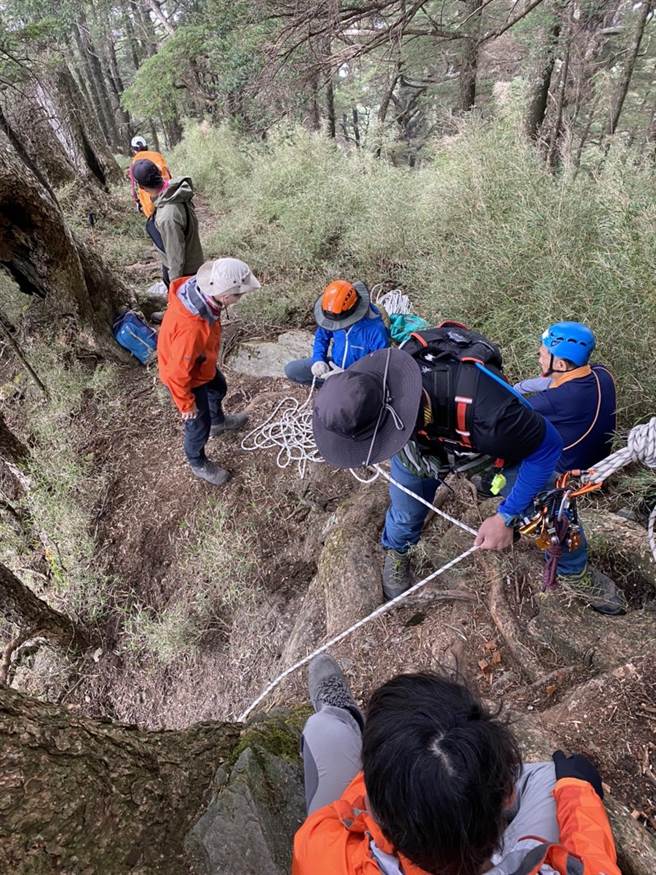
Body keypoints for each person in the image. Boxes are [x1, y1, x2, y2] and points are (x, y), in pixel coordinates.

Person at [311, 324, 625, 614]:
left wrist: (506, 516)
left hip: (479, 443)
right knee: (406, 510)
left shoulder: (493, 414)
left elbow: (547, 450)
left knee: (551, 498)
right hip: (417, 447)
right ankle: (398, 550)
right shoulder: (371, 385)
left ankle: (573, 569)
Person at [293, 654, 621, 875]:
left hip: (380, 847)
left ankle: (346, 719)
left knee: (325, 732)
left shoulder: (318, 848)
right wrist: (578, 792)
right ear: (506, 798)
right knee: (551, 779)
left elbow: (345, 811)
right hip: (488, 855)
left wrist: (393, 775)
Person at [157, 257, 260, 485]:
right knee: (196, 425)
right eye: (238, 294)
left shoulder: (200, 294)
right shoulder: (191, 329)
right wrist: (187, 405)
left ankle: (218, 422)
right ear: (224, 296)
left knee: (218, 387)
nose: (240, 298)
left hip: (201, 364)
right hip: (186, 378)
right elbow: (177, 373)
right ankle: (197, 461)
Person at [514, 322, 617, 475]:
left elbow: (510, 412)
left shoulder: (554, 400)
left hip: (564, 473)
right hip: (596, 462)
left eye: (542, 355)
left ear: (561, 365)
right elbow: (554, 382)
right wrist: (520, 387)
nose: (539, 359)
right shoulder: (602, 373)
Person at [285, 279, 390, 385]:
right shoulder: (333, 315)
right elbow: (321, 336)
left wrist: (349, 375)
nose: (337, 325)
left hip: (359, 379)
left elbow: (380, 369)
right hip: (333, 367)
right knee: (293, 370)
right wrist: (318, 360)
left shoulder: (375, 330)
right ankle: (332, 386)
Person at [131, 158, 204, 287]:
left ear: (141, 187)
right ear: (160, 172)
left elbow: (176, 256)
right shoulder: (175, 191)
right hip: (193, 260)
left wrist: (174, 285)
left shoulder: (167, 216)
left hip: (186, 273)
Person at [127, 135, 171, 219]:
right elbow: (167, 172)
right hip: (167, 191)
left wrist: (136, 199)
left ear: (134, 150)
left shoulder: (134, 163)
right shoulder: (157, 155)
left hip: (150, 201)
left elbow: (133, 187)